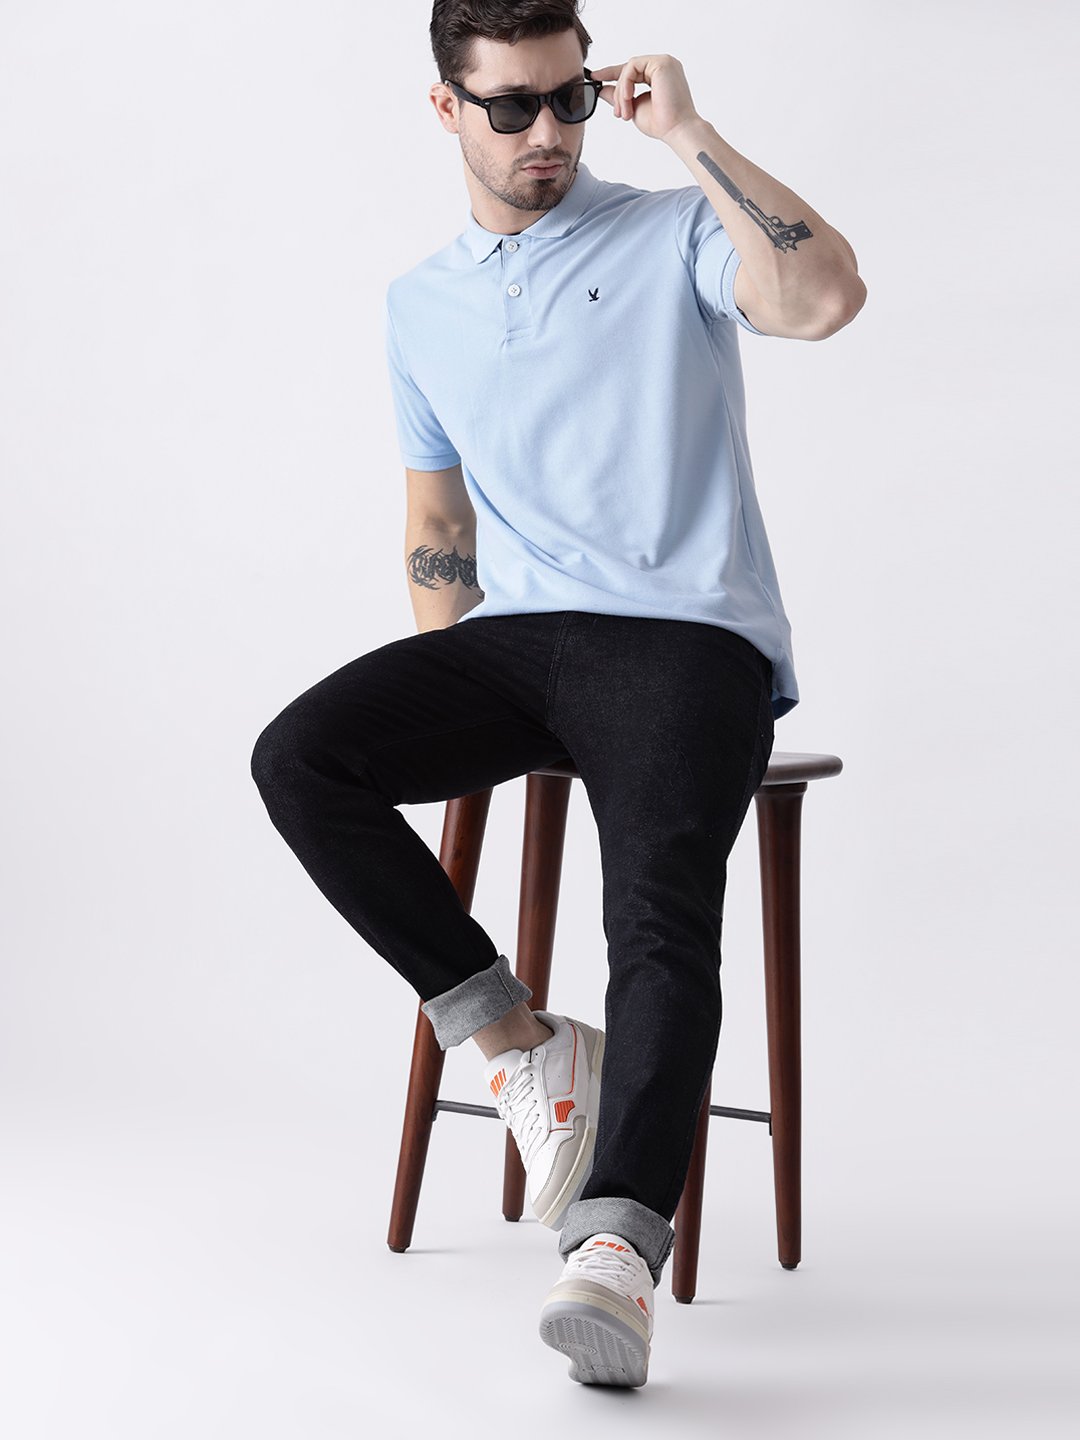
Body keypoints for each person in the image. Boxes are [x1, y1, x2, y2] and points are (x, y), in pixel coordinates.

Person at [250, 0, 865, 1388]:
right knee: (299, 758)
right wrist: (453, 690)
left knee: (655, 915)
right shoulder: (419, 304)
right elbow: (438, 529)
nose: (548, 131)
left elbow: (824, 299)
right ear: (448, 108)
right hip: (519, 643)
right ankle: (524, 1048)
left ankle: (615, 1250)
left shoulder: (677, 230)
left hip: (685, 639)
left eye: (568, 97)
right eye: (513, 104)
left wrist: (689, 134)